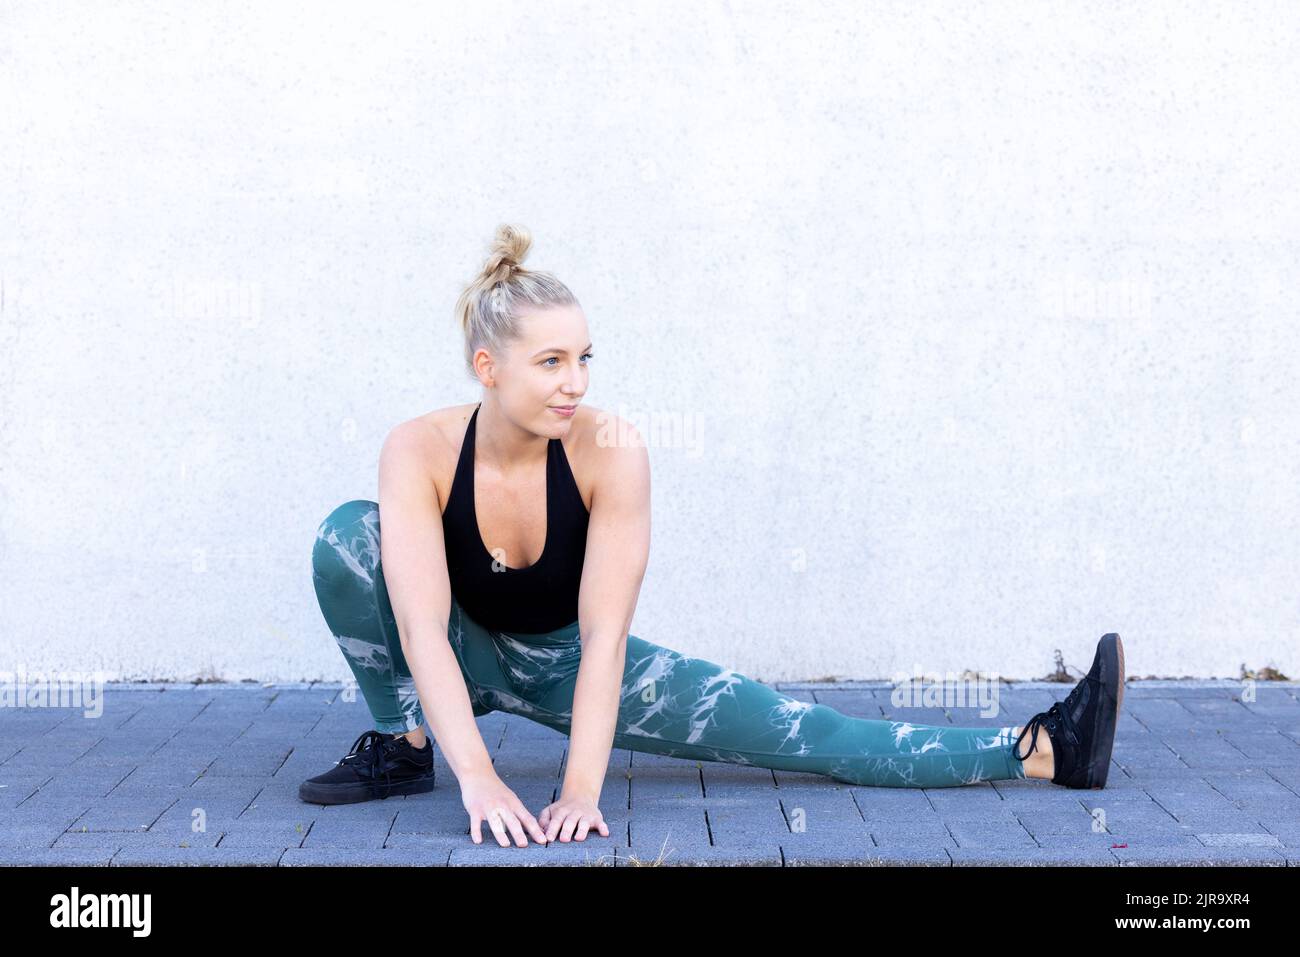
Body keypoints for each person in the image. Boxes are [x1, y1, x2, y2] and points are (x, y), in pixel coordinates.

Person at [300, 223, 1126, 849]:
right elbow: (418, 627)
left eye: (584, 358)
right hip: (457, 649)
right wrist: (475, 778)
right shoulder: (420, 449)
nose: (575, 382)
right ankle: (408, 743)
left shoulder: (611, 448)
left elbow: (606, 638)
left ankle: (1042, 749)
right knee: (347, 539)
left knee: (803, 733)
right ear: (488, 367)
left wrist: (581, 787)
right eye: (549, 362)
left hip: (568, 665)